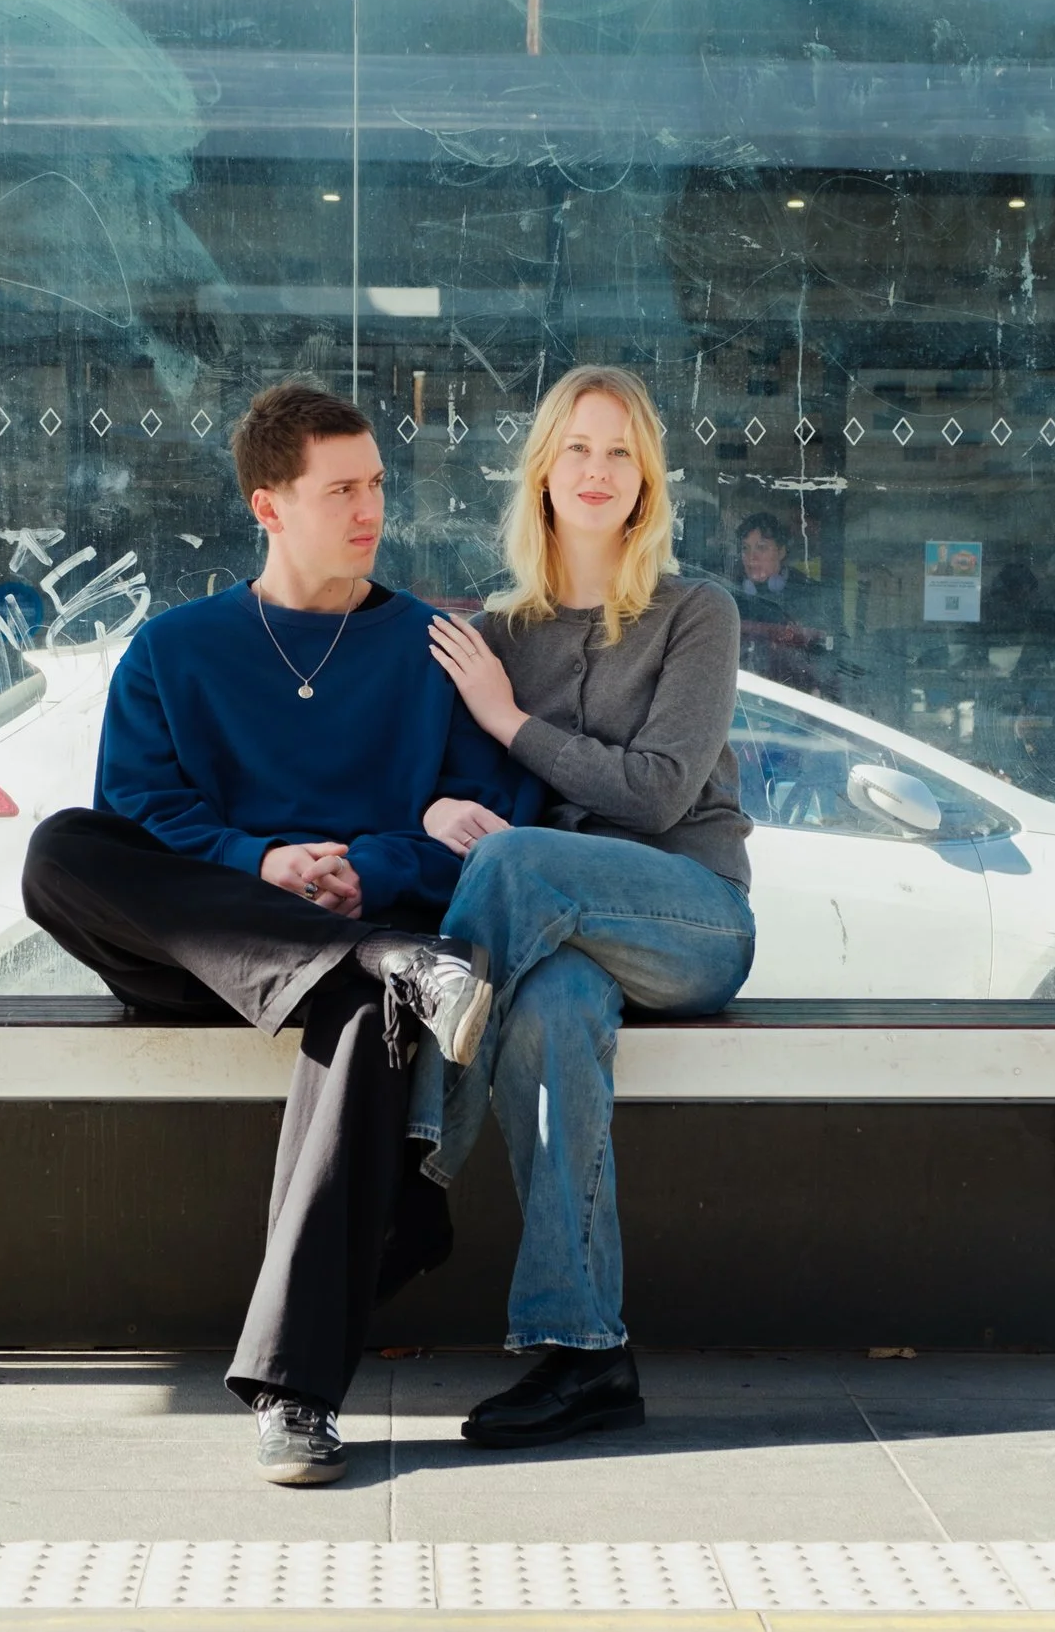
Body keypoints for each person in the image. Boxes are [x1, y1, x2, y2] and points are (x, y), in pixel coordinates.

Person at [20, 383, 539, 1487]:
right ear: (269, 505)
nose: (371, 509)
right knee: (60, 848)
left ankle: (296, 1393)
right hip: (214, 951)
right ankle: (378, 962)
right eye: (341, 489)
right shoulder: (174, 649)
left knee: (361, 1009)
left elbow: (492, 832)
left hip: (370, 951)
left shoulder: (432, 650)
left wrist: (370, 868)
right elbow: (140, 817)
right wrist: (260, 861)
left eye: (376, 484)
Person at [411, 365, 757, 1447]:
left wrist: (509, 721)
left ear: (646, 478)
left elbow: (657, 793)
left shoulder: (696, 612)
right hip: (558, 939)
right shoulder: (500, 631)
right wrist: (434, 809)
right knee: (552, 1011)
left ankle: (414, 1160)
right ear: (543, 471)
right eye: (577, 448)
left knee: (520, 861)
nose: (597, 470)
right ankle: (586, 1350)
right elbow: (433, 778)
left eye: (619, 452)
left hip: (690, 917)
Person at [730, 511, 839, 697]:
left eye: (761, 548)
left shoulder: (809, 595)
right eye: (745, 548)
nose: (751, 557)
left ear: (781, 552)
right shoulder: (730, 592)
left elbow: (828, 656)